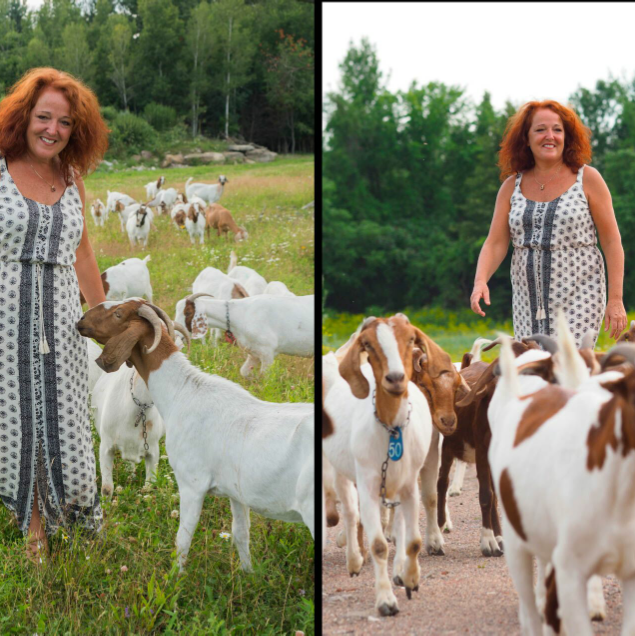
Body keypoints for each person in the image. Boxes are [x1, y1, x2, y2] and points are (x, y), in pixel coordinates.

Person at [0, 68, 109, 563]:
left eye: (64, 123)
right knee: (15, 424)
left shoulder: (72, 178)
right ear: (24, 117)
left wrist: (104, 317)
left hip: (63, 324)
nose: (52, 129)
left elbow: (83, 254)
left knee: (62, 422)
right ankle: (31, 530)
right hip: (5, 321)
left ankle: (67, 514)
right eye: (44, 117)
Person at [470, 100, 626, 346]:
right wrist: (480, 281)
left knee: (568, 365)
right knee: (534, 368)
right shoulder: (511, 186)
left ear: (567, 136)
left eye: (557, 129)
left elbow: (611, 241)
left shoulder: (588, 178)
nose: (550, 136)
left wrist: (616, 299)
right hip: (527, 298)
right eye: (540, 129)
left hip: (580, 293)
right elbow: (496, 242)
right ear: (527, 138)